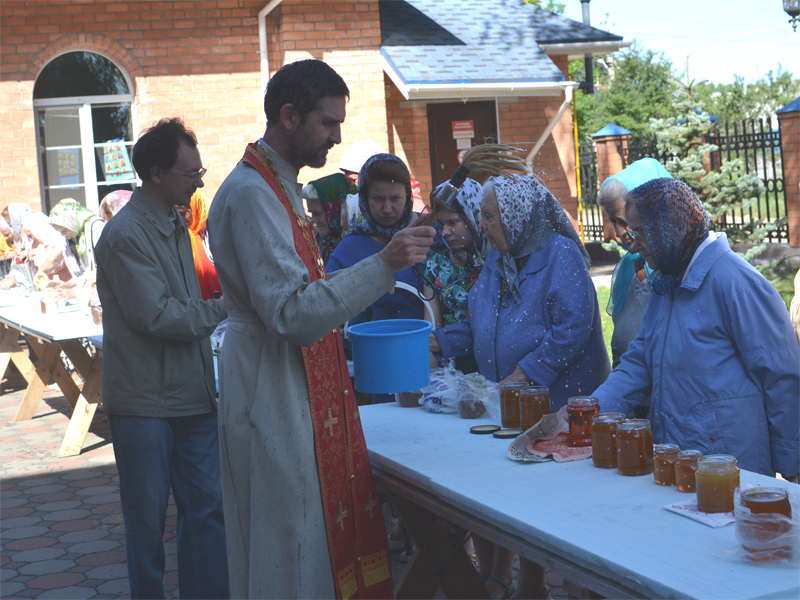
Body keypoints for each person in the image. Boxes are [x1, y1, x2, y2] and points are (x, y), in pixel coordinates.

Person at [207, 59, 435, 599]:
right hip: (270, 383)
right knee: (287, 540)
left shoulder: (277, 185)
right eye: (328, 123)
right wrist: (385, 263)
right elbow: (291, 313)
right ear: (289, 116)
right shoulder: (253, 194)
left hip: (284, 377)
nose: (336, 137)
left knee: (303, 534)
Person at [430, 175, 611, 600]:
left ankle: (541, 585)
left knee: (551, 501)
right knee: (519, 494)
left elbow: (572, 326)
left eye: (489, 216)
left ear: (517, 216)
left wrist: (525, 374)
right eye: (482, 216)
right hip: (515, 405)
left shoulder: (559, 254)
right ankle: (525, 582)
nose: (483, 224)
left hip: (562, 405)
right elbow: (483, 324)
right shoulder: (498, 258)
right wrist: (440, 340)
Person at [95, 117, 230, 599]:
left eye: (200, 172)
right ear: (155, 173)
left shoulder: (176, 222)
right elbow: (156, 315)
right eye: (190, 174)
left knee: (207, 514)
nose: (199, 182)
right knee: (147, 526)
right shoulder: (125, 234)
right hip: (144, 404)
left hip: (192, 397)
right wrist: (228, 307)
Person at [593, 177, 799, 480]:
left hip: (731, 470)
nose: (634, 244)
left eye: (642, 234)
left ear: (671, 229)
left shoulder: (736, 283)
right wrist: (592, 413)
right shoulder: (667, 283)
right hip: (680, 463)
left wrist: (792, 466)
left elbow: (781, 378)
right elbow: (639, 361)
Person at [327, 153, 426, 403]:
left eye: (395, 198)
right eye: (378, 199)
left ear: (408, 196)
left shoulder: (427, 236)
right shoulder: (350, 248)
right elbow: (325, 301)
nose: (387, 208)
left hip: (430, 362)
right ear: (363, 197)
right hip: (376, 363)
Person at [599, 158, 671, 368]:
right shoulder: (627, 268)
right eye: (613, 221)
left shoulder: (676, 271)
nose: (618, 232)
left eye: (624, 221)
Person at [175, 190, 222, 301]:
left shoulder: (214, 232)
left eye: (184, 213)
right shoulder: (178, 236)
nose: (181, 219)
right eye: (177, 213)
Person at [301, 173, 356, 264]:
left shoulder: (355, 246)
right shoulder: (320, 240)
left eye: (317, 213)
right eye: (311, 213)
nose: (313, 220)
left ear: (337, 209)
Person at [49, 198, 104, 272]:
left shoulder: (96, 227)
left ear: (73, 219)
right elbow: (87, 270)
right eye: (60, 232)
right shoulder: (79, 234)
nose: (63, 235)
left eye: (64, 230)